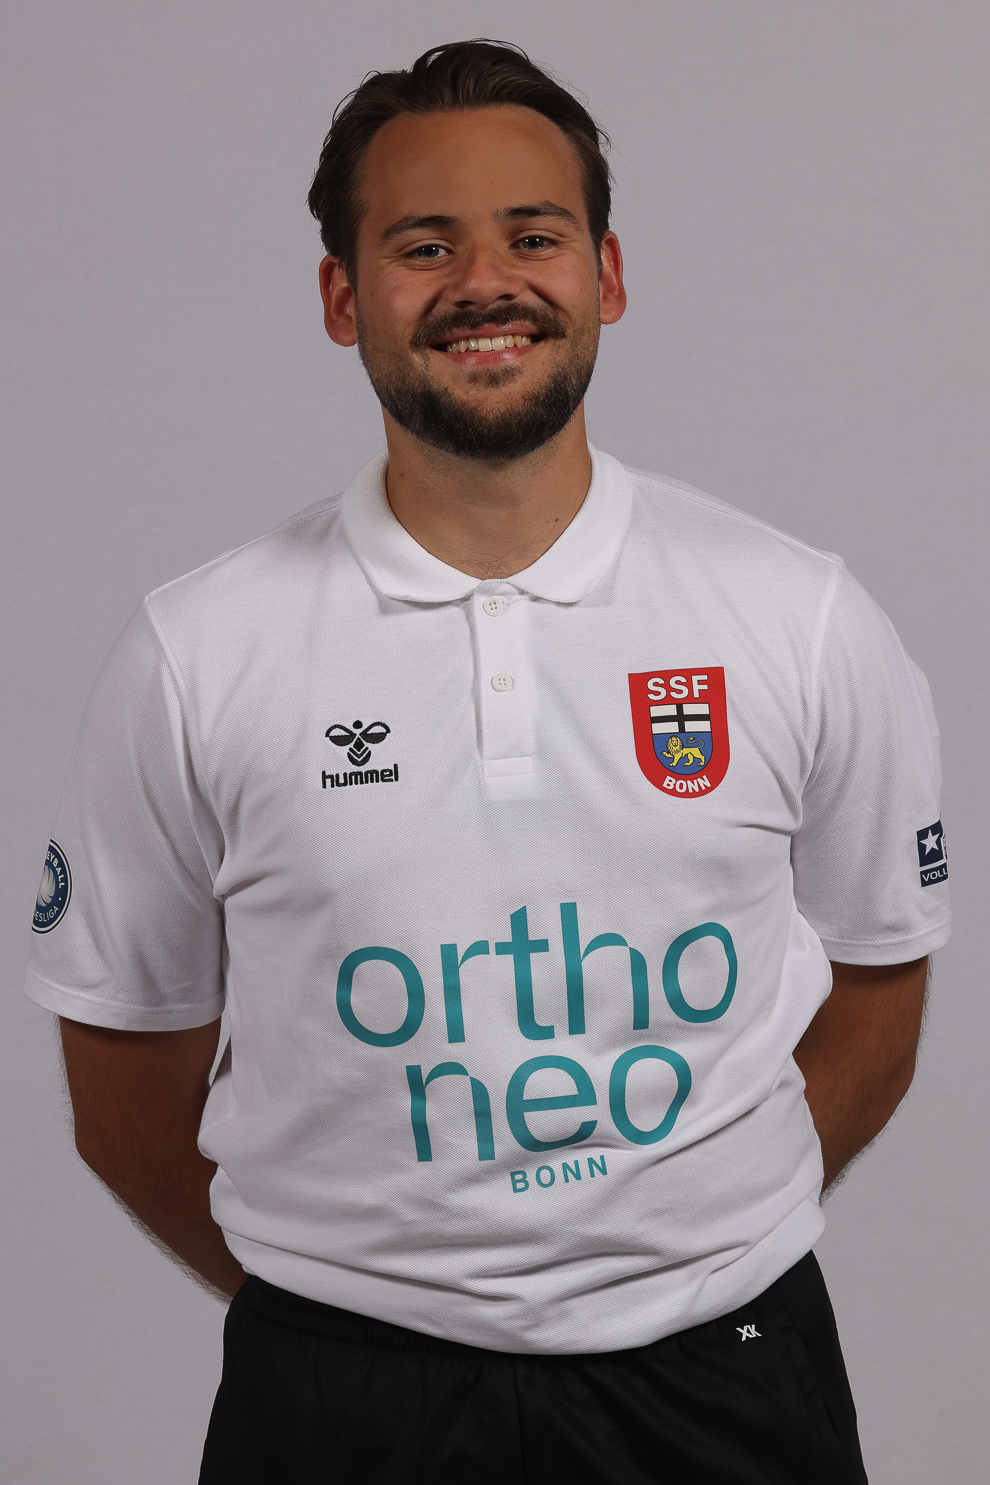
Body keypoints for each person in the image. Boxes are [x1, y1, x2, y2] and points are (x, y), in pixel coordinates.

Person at [26, 38, 949, 1485]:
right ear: (343, 297)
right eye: (422, 245)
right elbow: (122, 1075)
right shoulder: (194, 653)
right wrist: (346, 1294)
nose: (484, 282)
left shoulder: (797, 614)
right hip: (340, 1399)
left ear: (607, 275)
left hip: (726, 1380)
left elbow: (883, 981)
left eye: (534, 235)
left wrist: (686, 1235)